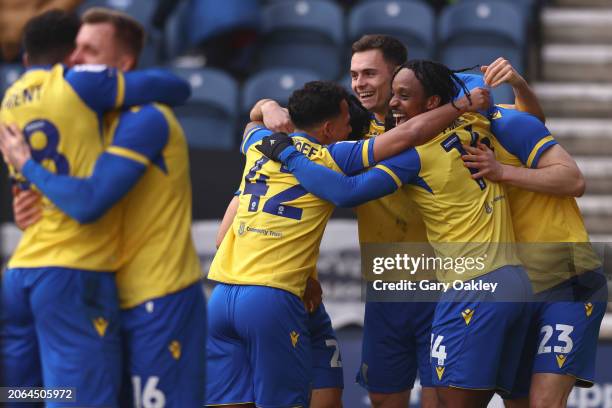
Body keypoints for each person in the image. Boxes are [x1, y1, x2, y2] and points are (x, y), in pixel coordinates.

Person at [257, 34, 545, 408]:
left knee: (442, 398)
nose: (360, 83)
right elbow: (289, 129)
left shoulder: (439, 120)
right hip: (386, 286)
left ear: (398, 76)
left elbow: (524, 119)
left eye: (370, 73)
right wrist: (266, 105)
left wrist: (511, 85)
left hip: (439, 284)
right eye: (354, 74)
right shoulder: (351, 128)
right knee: (383, 397)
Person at [205, 78, 489, 408]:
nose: (352, 124)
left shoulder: (259, 143)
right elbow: (408, 136)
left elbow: (251, 123)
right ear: (328, 128)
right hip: (271, 297)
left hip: (222, 293)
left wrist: (267, 105)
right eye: (345, 120)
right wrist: (459, 107)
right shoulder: (334, 156)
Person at [1, 8, 206, 407]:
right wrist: (26, 204)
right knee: (46, 395)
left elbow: (89, 200)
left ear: (123, 66)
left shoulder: (146, 116)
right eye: (73, 50)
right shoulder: (85, 115)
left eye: (88, 50)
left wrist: (27, 169)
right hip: (90, 288)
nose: (74, 61)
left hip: (156, 296)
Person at [462, 106, 606, 408]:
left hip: (568, 278)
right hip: (512, 291)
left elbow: (575, 182)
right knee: (518, 402)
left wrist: (502, 171)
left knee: (544, 402)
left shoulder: (507, 124)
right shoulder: (426, 149)